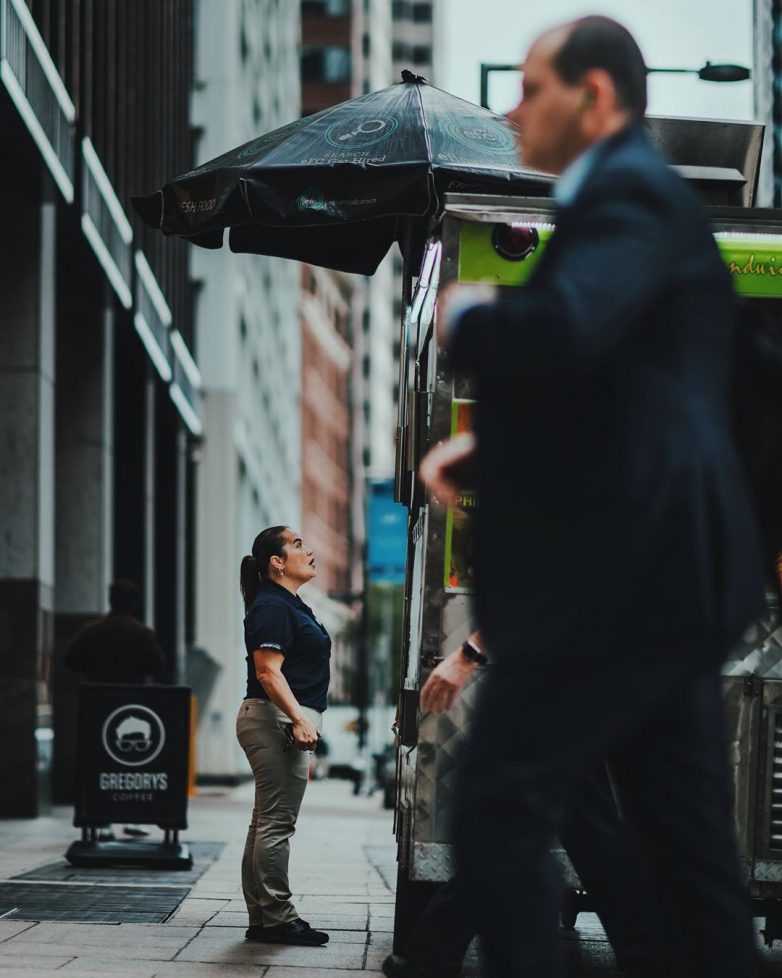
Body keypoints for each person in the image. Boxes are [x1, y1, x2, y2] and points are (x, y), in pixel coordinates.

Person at [420, 16, 765, 978]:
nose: (512, 107)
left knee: (496, 807)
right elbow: (616, 395)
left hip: (625, 578)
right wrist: (483, 457)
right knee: (688, 850)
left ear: (596, 96)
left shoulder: (627, 199)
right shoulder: (630, 204)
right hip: (659, 574)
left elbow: (569, 331)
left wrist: (477, 310)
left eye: (532, 87)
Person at [383, 635, 662, 978]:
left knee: (522, 823)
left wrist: (468, 654)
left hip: (559, 686)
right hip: (579, 683)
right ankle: (432, 954)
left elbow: (547, 587)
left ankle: (431, 955)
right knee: (571, 829)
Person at [237, 525, 331, 948]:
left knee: (264, 822)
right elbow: (267, 672)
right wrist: (299, 719)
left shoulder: (289, 604)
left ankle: (262, 917)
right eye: (297, 545)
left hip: (273, 719)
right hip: (275, 720)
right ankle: (277, 917)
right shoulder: (272, 607)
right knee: (276, 823)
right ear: (276, 562)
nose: (308, 550)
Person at [64, 579, 168, 684]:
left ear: (111, 600)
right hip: (133, 693)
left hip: (98, 692)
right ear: (134, 603)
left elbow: (69, 661)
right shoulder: (143, 634)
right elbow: (159, 667)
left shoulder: (92, 631)